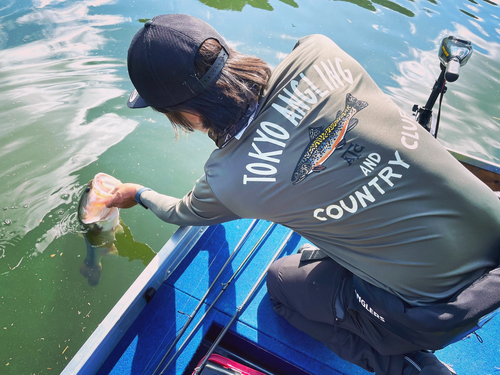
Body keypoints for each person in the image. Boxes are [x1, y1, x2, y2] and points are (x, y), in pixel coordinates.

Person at [106, 14, 500, 375]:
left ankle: (410, 368)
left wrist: (138, 193)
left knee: (280, 285)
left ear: (187, 115)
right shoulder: (318, 48)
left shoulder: (228, 179)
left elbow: (181, 212)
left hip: (435, 312)